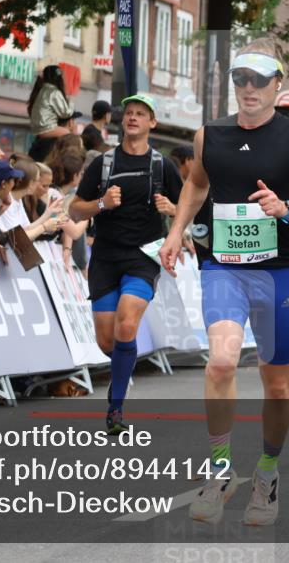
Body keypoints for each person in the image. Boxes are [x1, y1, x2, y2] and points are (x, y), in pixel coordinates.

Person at [159, 40, 289, 527]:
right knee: (220, 361)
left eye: (259, 79)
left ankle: (267, 472)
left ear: (278, 83)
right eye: (241, 78)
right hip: (225, 268)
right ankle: (220, 472)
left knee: (277, 385)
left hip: (277, 275)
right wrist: (175, 231)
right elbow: (197, 184)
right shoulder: (210, 135)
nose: (249, 87)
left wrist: (287, 209)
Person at [70, 93, 182, 435]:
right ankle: (122, 369)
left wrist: (173, 210)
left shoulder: (162, 166)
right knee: (107, 342)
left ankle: (115, 408)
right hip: (105, 257)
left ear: (152, 122)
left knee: (127, 322)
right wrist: (101, 204)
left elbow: (189, 209)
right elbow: (75, 209)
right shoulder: (103, 164)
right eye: (129, 112)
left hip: (142, 257)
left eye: (140, 113)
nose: (132, 117)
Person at [27, 65, 74, 162]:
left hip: (38, 130)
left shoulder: (41, 90)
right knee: (70, 136)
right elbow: (65, 113)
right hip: (47, 128)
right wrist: (71, 104)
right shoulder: (54, 92)